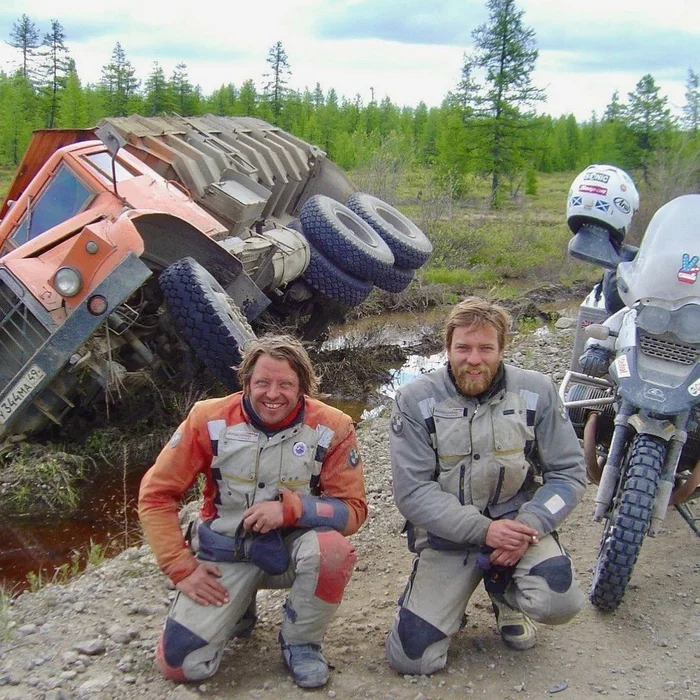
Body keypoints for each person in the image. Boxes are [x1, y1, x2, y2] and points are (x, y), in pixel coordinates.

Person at [139, 334, 367, 688]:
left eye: (285, 384)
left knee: (333, 551)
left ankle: (301, 643)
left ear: (303, 387)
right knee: (181, 666)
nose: (273, 394)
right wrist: (181, 568)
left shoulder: (332, 427)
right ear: (246, 382)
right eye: (262, 382)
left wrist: (291, 510)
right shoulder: (207, 419)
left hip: (288, 553)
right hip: (224, 552)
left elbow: (353, 511)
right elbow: (156, 495)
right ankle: (239, 611)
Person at [385, 297, 586, 675]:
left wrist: (531, 526)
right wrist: (486, 531)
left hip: (519, 530)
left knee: (559, 600)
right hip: (450, 538)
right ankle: (444, 600)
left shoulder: (538, 391)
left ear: (502, 349)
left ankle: (505, 595)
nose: (473, 359)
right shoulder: (414, 400)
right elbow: (412, 494)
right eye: (463, 347)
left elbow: (569, 474)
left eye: (485, 348)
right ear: (447, 348)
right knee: (412, 659)